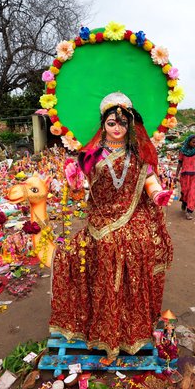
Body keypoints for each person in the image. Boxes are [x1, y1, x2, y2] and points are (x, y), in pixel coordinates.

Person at [49, 92, 174, 361]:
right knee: (97, 247)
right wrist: (73, 183)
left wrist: (157, 195)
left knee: (139, 241)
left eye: (122, 123)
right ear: (102, 124)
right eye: (111, 123)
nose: (117, 129)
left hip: (134, 214)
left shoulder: (137, 154)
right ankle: (100, 326)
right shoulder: (91, 155)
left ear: (130, 125)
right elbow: (80, 189)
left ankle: (132, 326)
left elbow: (150, 180)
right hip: (101, 217)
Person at [175, 135, 195, 220]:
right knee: (186, 192)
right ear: (188, 141)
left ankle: (189, 211)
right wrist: (176, 175)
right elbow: (180, 163)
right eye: (193, 142)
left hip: (194, 175)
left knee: (193, 193)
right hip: (185, 175)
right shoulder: (182, 151)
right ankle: (184, 202)